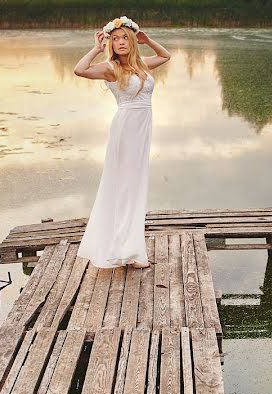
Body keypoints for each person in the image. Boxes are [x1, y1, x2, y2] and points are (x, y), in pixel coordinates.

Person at [72, 16, 171, 269]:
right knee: (125, 188)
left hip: (142, 130)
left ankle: (131, 249)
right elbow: (79, 70)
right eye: (115, 39)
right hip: (126, 130)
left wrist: (147, 40)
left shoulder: (142, 65)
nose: (120, 43)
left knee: (135, 187)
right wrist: (95, 48)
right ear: (111, 44)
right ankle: (125, 251)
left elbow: (165, 56)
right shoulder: (110, 68)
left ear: (132, 41)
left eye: (124, 38)